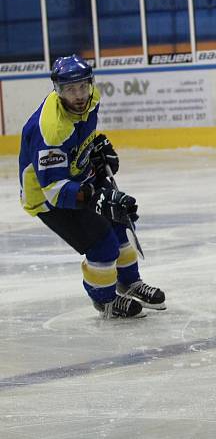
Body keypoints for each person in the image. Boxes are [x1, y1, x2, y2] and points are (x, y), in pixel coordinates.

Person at [18, 54, 165, 319]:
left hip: (79, 177)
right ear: (58, 90)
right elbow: (54, 189)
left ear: (90, 83)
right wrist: (95, 197)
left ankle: (129, 282)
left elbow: (81, 136)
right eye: (70, 89)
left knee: (119, 222)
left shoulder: (92, 99)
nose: (79, 95)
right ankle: (105, 300)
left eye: (82, 86)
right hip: (47, 196)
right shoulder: (50, 130)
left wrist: (95, 147)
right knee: (102, 244)